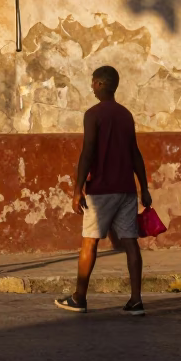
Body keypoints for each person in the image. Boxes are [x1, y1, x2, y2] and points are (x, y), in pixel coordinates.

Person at [54, 66, 152, 315]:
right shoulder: (126, 115)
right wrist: (144, 187)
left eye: (92, 83)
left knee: (89, 243)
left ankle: (79, 298)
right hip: (127, 190)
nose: (91, 87)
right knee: (131, 243)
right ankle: (136, 300)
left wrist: (77, 189)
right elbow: (135, 153)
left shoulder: (93, 114)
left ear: (99, 84)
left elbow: (87, 152)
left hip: (101, 191)